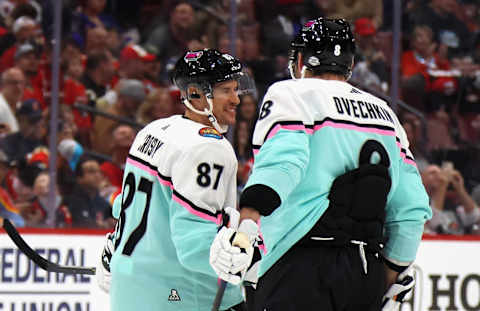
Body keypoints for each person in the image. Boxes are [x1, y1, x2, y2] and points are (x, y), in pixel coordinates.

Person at [210, 18, 432, 311]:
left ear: (301, 59)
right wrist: (388, 279)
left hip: (299, 266)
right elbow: (412, 210)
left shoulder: (291, 93)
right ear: (349, 65)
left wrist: (246, 225)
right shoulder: (387, 115)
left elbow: (284, 164)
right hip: (364, 272)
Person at [96, 49, 253, 311]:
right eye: (226, 90)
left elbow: (125, 207)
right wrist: (246, 260)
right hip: (181, 296)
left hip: (129, 289)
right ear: (195, 94)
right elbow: (195, 244)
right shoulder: (208, 148)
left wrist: (116, 246)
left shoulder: (153, 130)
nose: (236, 99)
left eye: (236, 90)